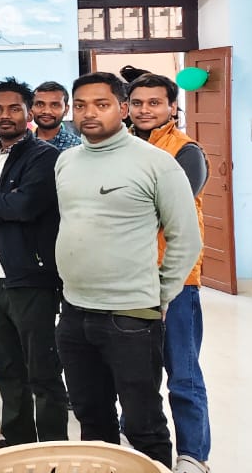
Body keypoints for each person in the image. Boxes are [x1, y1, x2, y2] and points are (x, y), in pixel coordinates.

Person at [54, 72, 201, 468]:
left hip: (131, 314)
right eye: (80, 105)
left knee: (142, 422)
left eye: (101, 105)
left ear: (122, 109)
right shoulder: (66, 161)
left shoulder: (157, 164)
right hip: (74, 312)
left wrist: (160, 294)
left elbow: (186, 238)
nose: (89, 113)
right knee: (91, 417)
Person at [0, 78, 68, 447]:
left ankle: (52, 447)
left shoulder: (44, 157)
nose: (5, 115)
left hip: (30, 277)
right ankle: (17, 441)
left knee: (42, 370)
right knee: (6, 366)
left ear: (28, 112)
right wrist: (1, 202)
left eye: (14, 108)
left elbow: (26, 205)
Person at [128, 73, 212, 473]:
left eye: (154, 103)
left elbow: (165, 210)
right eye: (138, 102)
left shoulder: (186, 151)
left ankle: (193, 455)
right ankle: (142, 446)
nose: (145, 110)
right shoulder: (120, 146)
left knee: (183, 374)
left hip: (175, 281)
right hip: (128, 281)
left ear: (172, 107)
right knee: (135, 373)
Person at [32, 81, 82, 151]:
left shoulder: (78, 146)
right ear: (31, 108)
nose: (47, 111)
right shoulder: (21, 145)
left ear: (66, 110)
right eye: (40, 104)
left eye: (54, 105)